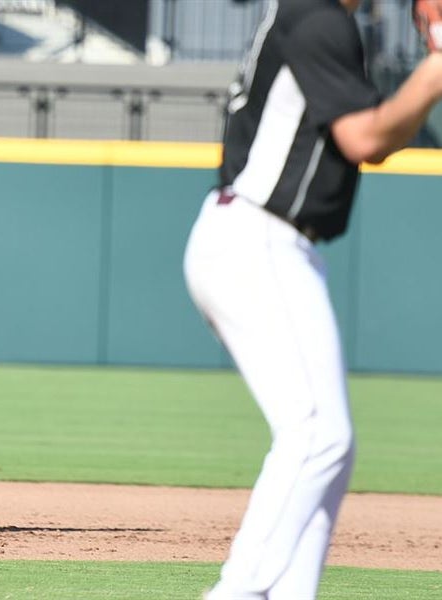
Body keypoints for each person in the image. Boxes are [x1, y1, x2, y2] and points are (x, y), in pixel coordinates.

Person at [183, 1, 442, 598]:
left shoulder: (309, 13)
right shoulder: (321, 16)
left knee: (330, 446)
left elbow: (374, 137)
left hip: (263, 241)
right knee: (318, 435)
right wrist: (433, 70)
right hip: (258, 238)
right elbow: (365, 137)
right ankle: (238, 592)